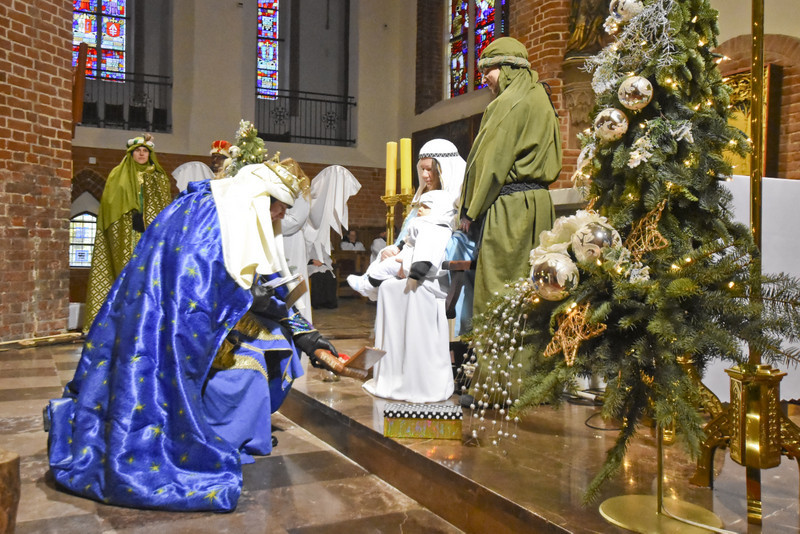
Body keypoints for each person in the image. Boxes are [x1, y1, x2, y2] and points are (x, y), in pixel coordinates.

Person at [45, 159, 340, 512]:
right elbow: (195, 292)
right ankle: (214, 432)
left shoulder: (235, 210)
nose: (280, 216)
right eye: (280, 207)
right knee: (253, 358)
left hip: (203, 319)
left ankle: (239, 430)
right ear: (263, 198)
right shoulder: (209, 214)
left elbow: (254, 280)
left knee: (279, 342)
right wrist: (253, 299)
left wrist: (305, 333)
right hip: (167, 327)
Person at [458, 37, 563, 319]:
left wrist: (470, 210)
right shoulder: (542, 96)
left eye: (487, 71)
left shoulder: (507, 103)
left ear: (507, 67)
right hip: (540, 206)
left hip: (509, 211)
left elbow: (492, 163)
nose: (485, 80)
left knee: (501, 291)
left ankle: (498, 362)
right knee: (535, 290)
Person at [361, 141, 466, 404]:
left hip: (440, 275)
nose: (425, 176)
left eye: (431, 170)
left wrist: (413, 262)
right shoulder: (422, 201)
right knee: (387, 288)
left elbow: (457, 242)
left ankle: (422, 376)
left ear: (445, 169)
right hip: (410, 269)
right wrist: (393, 250)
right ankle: (397, 373)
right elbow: (408, 236)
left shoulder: (460, 199)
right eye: (422, 170)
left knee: (411, 292)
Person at [83, 134, 173, 332]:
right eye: (137, 151)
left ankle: (148, 322)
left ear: (150, 154)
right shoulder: (118, 174)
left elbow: (163, 206)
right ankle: (118, 322)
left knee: (149, 274)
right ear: (131, 154)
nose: (141, 154)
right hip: (124, 233)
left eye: (145, 151)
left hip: (150, 234)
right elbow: (110, 204)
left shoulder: (158, 176)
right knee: (124, 273)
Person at [347, 190, 454, 301]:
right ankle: (370, 285)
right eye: (420, 206)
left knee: (386, 266)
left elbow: (425, 254)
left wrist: (414, 275)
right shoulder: (426, 224)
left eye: (425, 207)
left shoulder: (432, 229)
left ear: (439, 210)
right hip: (409, 258)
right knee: (381, 262)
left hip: (415, 265)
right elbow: (408, 240)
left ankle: (367, 285)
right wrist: (399, 247)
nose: (420, 209)